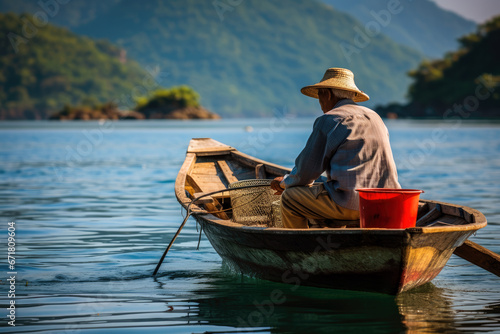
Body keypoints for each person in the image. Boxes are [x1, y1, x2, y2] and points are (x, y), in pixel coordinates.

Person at [270, 67, 401, 228]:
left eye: (320, 95)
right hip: (388, 204)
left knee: (290, 197)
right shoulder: (375, 117)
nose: (320, 102)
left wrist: (284, 183)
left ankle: (299, 248)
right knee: (324, 184)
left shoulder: (330, 119)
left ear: (327, 94)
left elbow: (305, 173)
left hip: (352, 205)